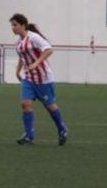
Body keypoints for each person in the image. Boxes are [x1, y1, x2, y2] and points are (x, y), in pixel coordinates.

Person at [10, 13, 69, 146]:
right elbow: (22, 57)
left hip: (43, 79)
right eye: (12, 25)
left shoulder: (33, 37)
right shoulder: (18, 43)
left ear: (23, 25)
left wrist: (36, 63)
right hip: (28, 79)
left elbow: (48, 50)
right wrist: (18, 70)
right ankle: (29, 135)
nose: (13, 28)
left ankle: (62, 128)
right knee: (25, 104)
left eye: (15, 25)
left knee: (50, 106)